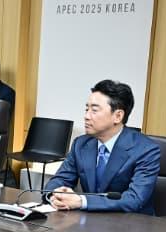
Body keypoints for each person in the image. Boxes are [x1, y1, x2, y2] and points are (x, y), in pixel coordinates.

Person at [45, 80, 160, 213]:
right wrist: (55, 195)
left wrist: (82, 201)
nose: (86, 116)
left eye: (94, 110)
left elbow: (134, 199)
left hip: (130, 226)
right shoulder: (81, 144)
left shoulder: (145, 150)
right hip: (89, 222)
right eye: (86, 109)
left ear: (117, 116)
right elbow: (60, 179)